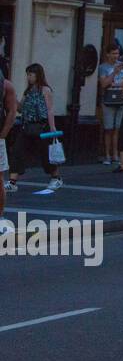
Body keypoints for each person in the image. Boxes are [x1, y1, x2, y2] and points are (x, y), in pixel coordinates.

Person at [9, 63, 62, 195]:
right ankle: (12, 182)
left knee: (46, 154)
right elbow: (21, 109)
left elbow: (49, 109)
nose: (28, 77)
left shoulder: (45, 90)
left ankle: (56, 177)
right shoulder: (28, 91)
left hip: (42, 126)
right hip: (27, 126)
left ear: (38, 75)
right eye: (27, 74)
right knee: (17, 151)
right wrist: (14, 100)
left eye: (31, 74)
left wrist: (53, 128)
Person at [98, 41, 123, 166]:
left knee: (117, 128)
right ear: (107, 54)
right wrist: (114, 73)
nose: (116, 56)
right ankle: (107, 155)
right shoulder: (103, 67)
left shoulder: (122, 66)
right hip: (108, 99)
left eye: (117, 53)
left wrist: (115, 83)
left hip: (120, 99)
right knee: (108, 128)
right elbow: (103, 84)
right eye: (113, 53)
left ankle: (116, 154)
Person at [0, 66, 16, 234]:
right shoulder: (6, 84)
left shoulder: (6, 85)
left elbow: (12, 111)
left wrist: (2, 136)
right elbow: (11, 112)